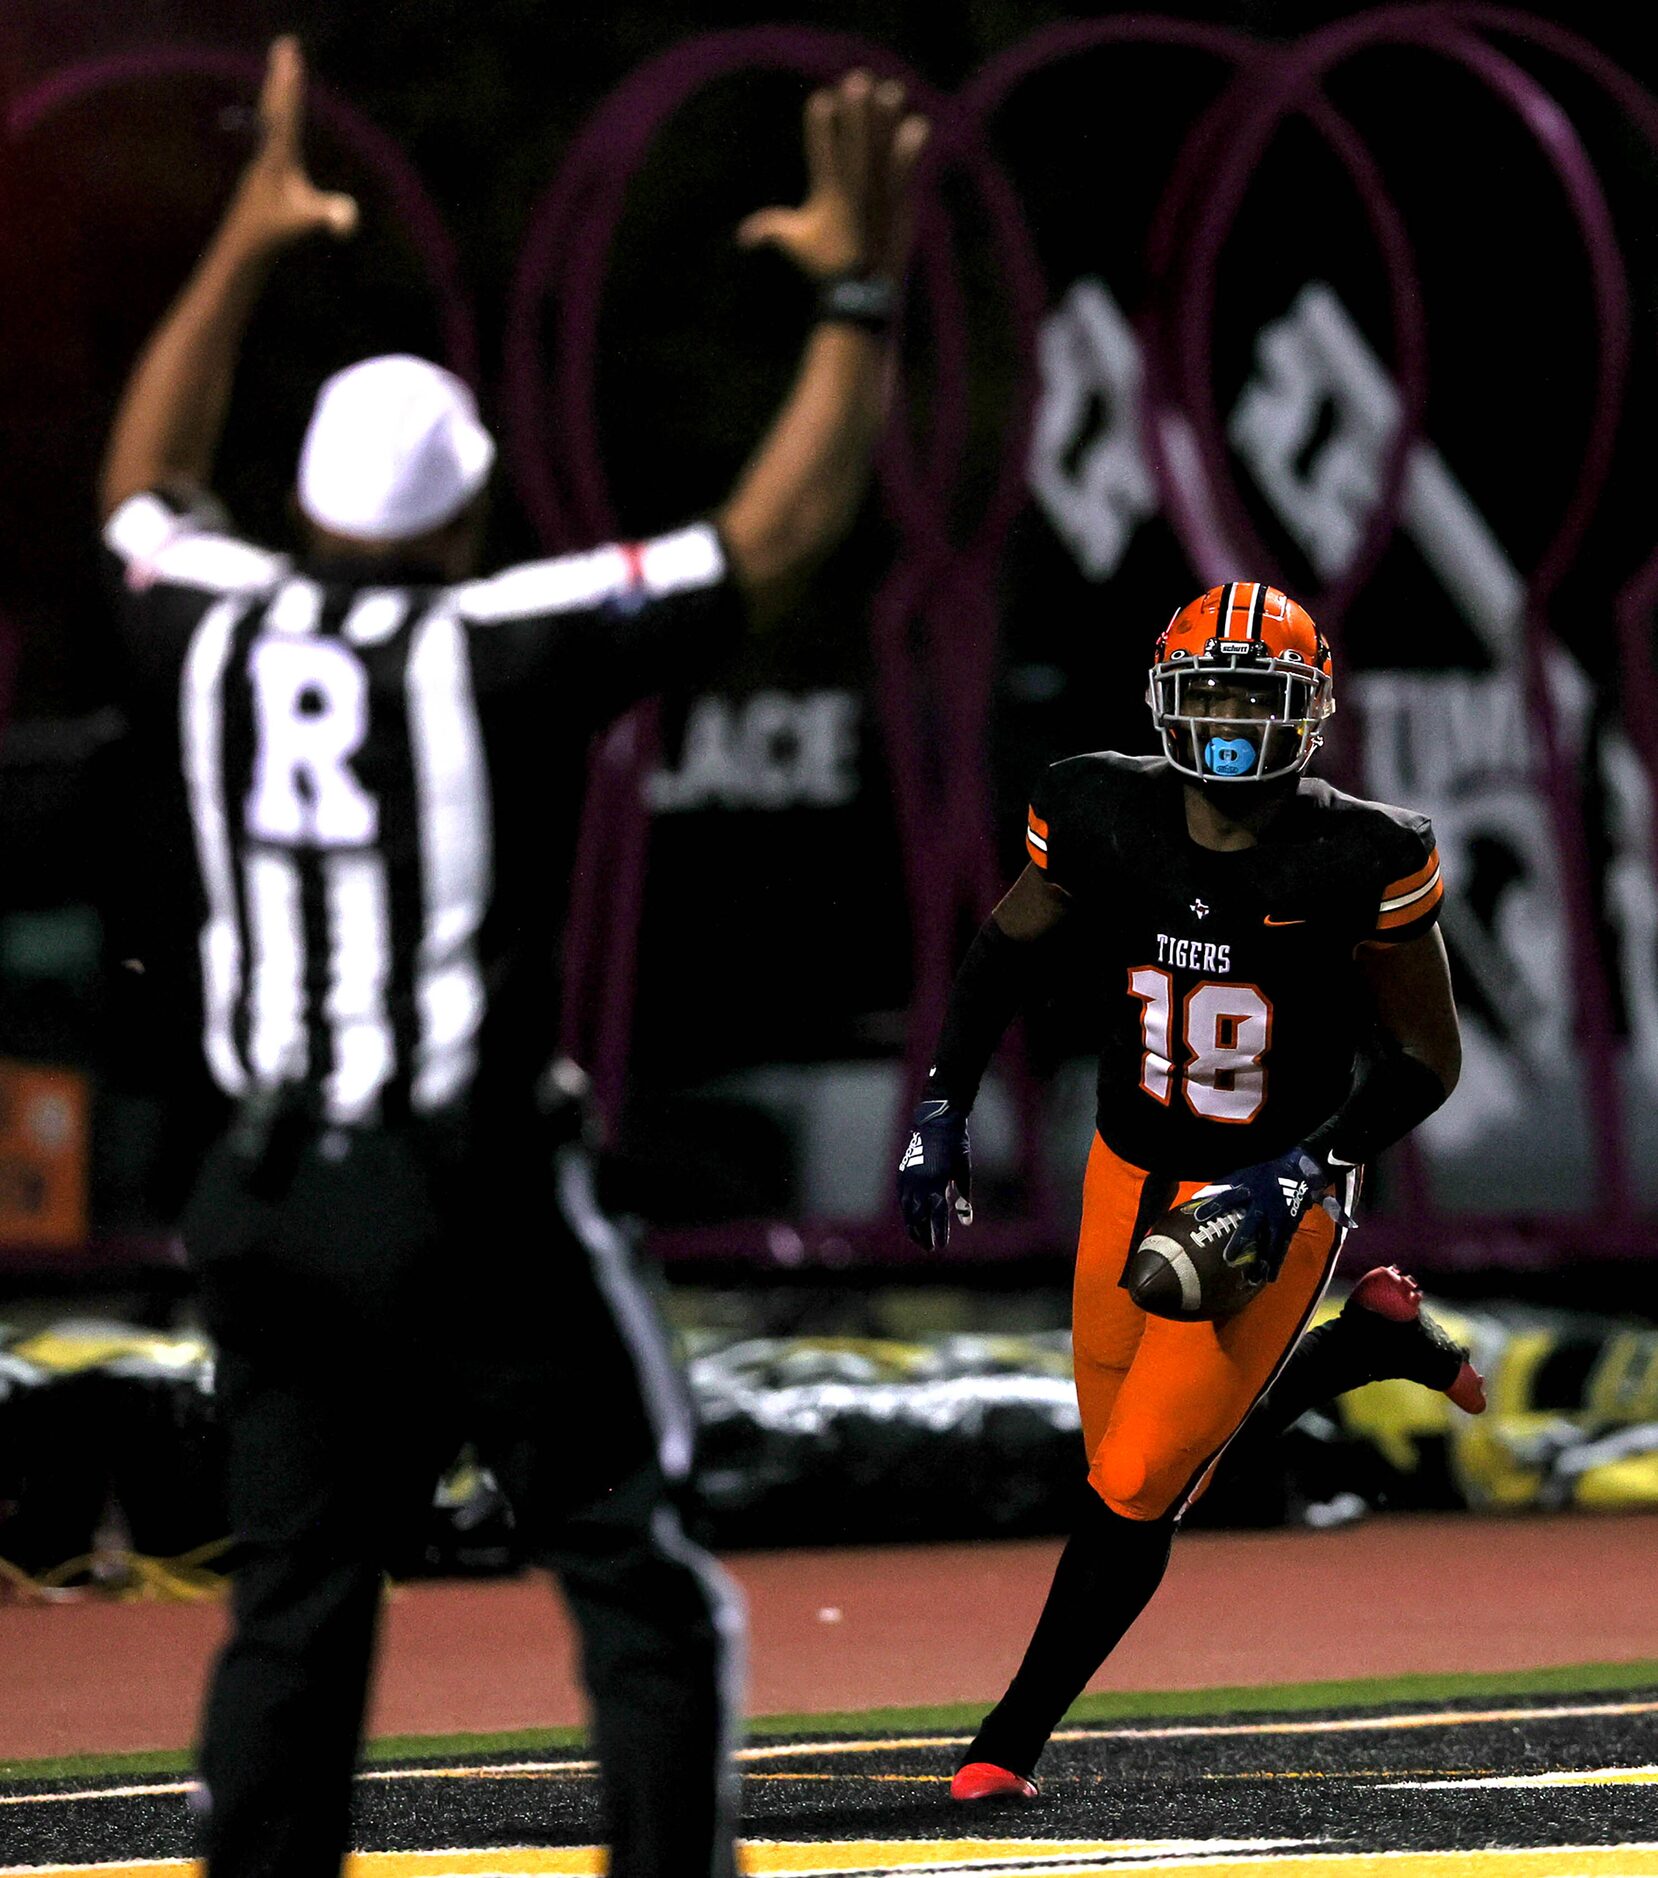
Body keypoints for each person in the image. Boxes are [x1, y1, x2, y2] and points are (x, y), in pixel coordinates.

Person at [100, 38, 926, 1878]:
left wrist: (239, 245)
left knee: (296, 1608)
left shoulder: (213, 629)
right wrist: (861, 293)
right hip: (467, 1189)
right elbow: (772, 536)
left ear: (308, 507)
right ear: (463, 509)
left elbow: (144, 482)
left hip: (264, 1191)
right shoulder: (489, 640)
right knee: (633, 1572)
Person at [897, 579, 1484, 1804]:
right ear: (1164, 700)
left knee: (1138, 1483)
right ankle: (1365, 1348)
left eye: (1252, 695)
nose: (1225, 719)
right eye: (1206, 691)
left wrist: (1307, 1166)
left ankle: (1004, 1742)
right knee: (1144, 1461)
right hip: (1124, 1166)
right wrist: (941, 1106)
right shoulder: (1097, 806)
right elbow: (1007, 943)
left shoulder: (1361, 850)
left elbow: (1427, 1059)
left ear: (1307, 714)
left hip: (1275, 1186)